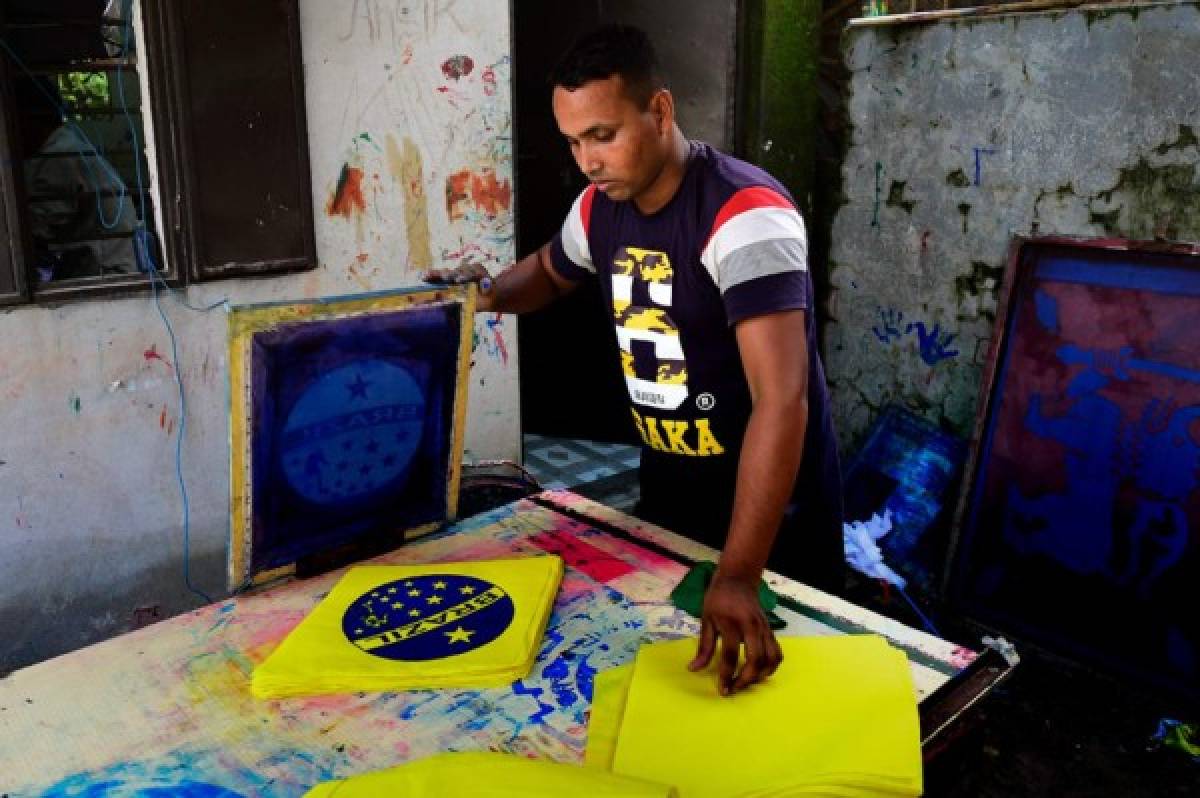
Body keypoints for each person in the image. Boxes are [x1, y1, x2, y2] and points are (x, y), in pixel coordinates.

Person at [428, 24, 843, 695]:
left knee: (784, 709)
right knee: (680, 706)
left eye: (603, 134)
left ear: (659, 111)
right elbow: (548, 271)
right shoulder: (598, 208)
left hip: (770, 532)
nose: (587, 159)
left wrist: (739, 573)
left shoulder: (745, 214)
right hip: (671, 506)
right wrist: (483, 295)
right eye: (573, 141)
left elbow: (783, 400)